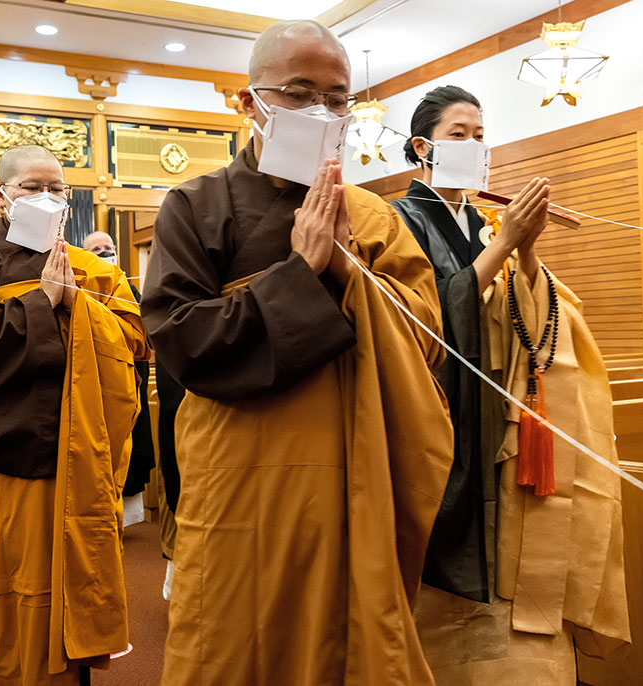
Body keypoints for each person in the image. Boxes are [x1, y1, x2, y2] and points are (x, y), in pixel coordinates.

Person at [142, 20, 454, 686]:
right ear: (249, 102)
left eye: (337, 99)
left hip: (355, 469)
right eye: (299, 92)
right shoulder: (194, 206)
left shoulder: (373, 216)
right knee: (232, 645)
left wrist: (345, 272)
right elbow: (183, 341)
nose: (321, 111)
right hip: (241, 479)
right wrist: (301, 271)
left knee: (350, 640)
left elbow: (426, 337)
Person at [394, 85, 630, 685]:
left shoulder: (482, 222)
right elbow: (417, 317)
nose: (475, 145)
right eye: (458, 135)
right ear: (422, 147)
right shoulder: (397, 220)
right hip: (438, 408)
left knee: (510, 547)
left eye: (480, 135)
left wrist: (524, 252)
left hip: (498, 402)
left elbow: (533, 312)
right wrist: (504, 244)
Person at [0, 146, 146, 685]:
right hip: (4, 448)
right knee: (16, 581)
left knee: (78, 577)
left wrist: (80, 306)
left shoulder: (93, 268)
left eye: (57, 188)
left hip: (81, 448)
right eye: (33, 188)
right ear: (4, 197)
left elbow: (137, 340)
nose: (47, 197)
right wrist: (43, 301)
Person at [80, 230, 154, 527]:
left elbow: (142, 335)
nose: (104, 252)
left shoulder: (130, 290)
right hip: (94, 382)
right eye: (96, 250)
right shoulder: (80, 288)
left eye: (107, 247)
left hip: (129, 379)